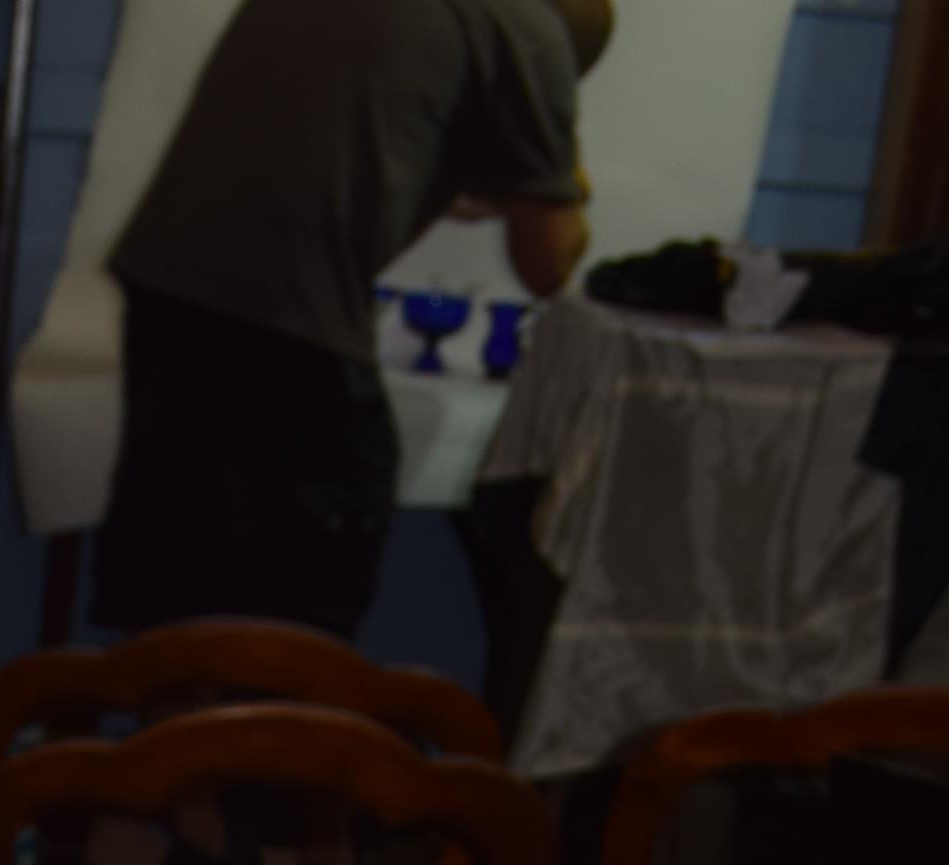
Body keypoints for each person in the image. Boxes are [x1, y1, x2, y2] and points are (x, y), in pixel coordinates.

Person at [91, 0, 612, 641]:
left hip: (168, 287)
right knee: (305, 594)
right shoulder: (531, 27)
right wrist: (564, 179)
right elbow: (549, 264)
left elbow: (350, 172)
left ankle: (172, 733)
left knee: (182, 583)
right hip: (286, 320)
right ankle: (275, 731)